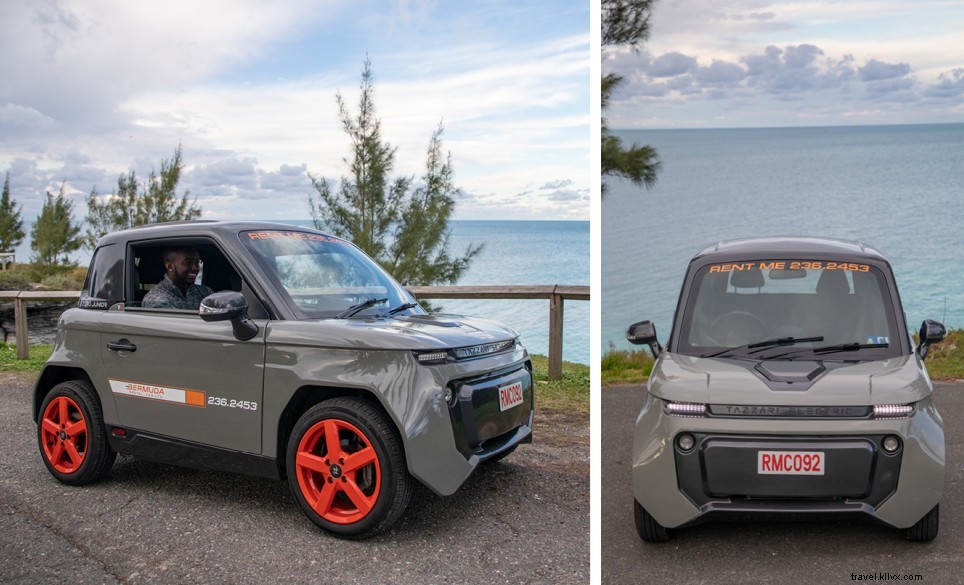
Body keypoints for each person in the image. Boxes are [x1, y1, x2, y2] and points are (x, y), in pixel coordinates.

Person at [142, 247, 214, 310]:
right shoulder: (155, 299)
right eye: (187, 262)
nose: (195, 268)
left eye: (197, 262)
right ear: (170, 266)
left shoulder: (205, 292)